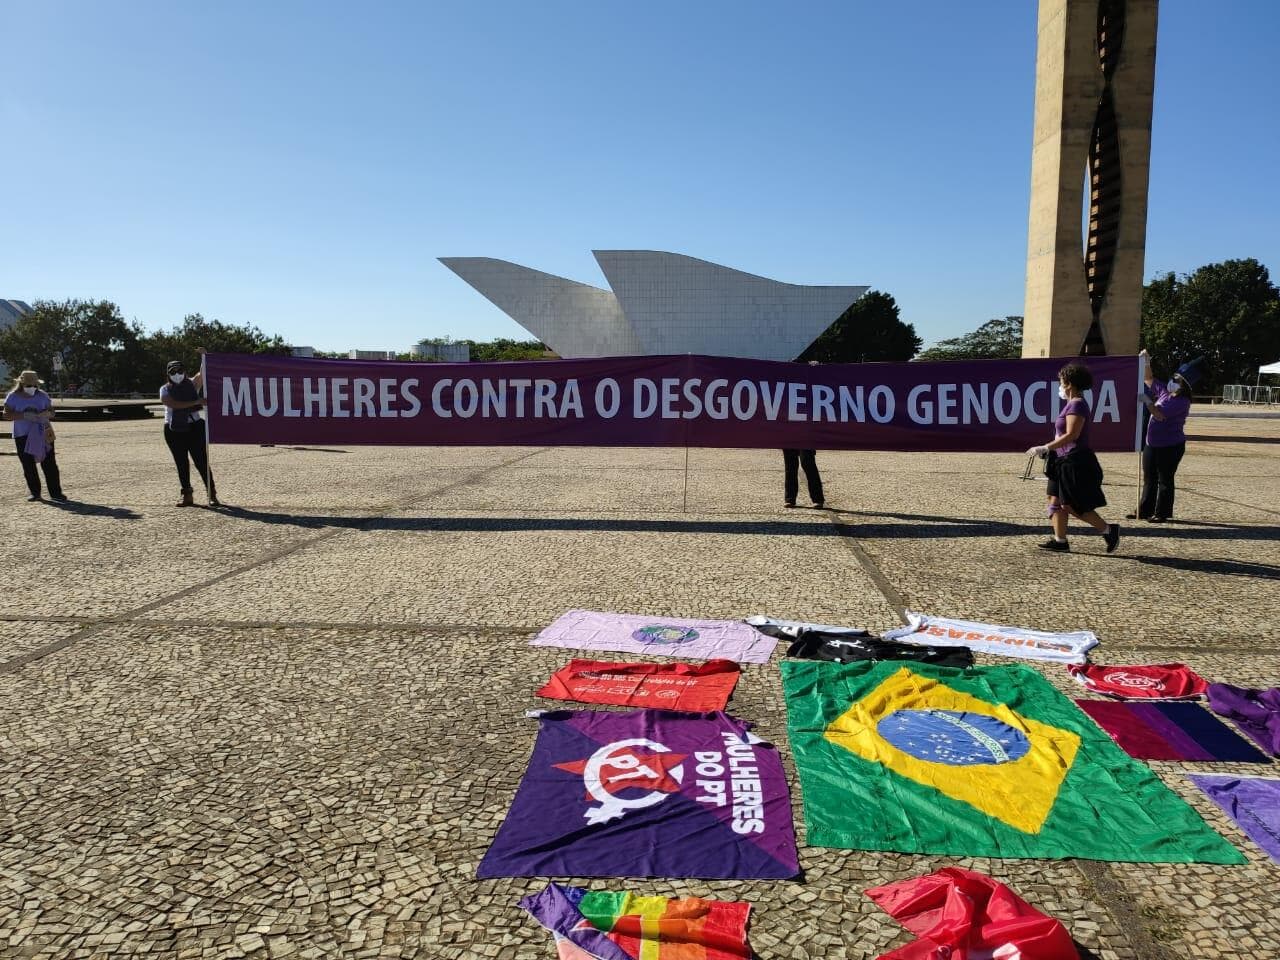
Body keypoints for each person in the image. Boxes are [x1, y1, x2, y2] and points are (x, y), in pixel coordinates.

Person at [1026, 362, 1120, 553]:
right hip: (1060, 460)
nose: (1059, 385)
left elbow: (1071, 435)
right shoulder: (1070, 404)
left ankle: (1108, 530)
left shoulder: (1077, 405)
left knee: (1071, 504)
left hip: (1074, 460)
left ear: (1069, 383)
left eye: (1061, 381)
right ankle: (1060, 540)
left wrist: (1045, 447)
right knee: (1053, 499)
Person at [1128, 352, 1201, 522]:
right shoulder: (1164, 393)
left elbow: (1159, 415)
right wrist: (1146, 361)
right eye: (1173, 378)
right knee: (1149, 478)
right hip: (1152, 443)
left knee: (1165, 480)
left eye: (1176, 380)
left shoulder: (1182, 401)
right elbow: (1148, 379)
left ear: (1183, 385)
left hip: (1170, 446)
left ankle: (1162, 513)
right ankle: (1144, 510)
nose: (1172, 381)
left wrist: (1146, 401)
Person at [160, 358, 219, 507]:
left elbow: (202, 374)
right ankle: (187, 495)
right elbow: (172, 404)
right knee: (181, 462)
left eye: (180, 371)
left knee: (201, 461)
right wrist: (196, 402)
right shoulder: (165, 389)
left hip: (194, 427)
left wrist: (204, 357)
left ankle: (212, 494)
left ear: (185, 372)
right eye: (173, 372)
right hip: (174, 429)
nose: (177, 374)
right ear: (168, 374)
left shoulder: (192, 384)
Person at [3, 370, 66, 502]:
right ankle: (35, 493)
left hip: (44, 433)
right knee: (28, 464)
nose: (31, 388)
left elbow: (52, 412)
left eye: (33, 385)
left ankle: (56, 493)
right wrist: (24, 416)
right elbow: (6, 414)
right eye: (28, 385)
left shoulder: (43, 395)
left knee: (49, 463)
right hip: (22, 434)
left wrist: (46, 414)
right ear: (21, 384)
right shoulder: (13, 396)